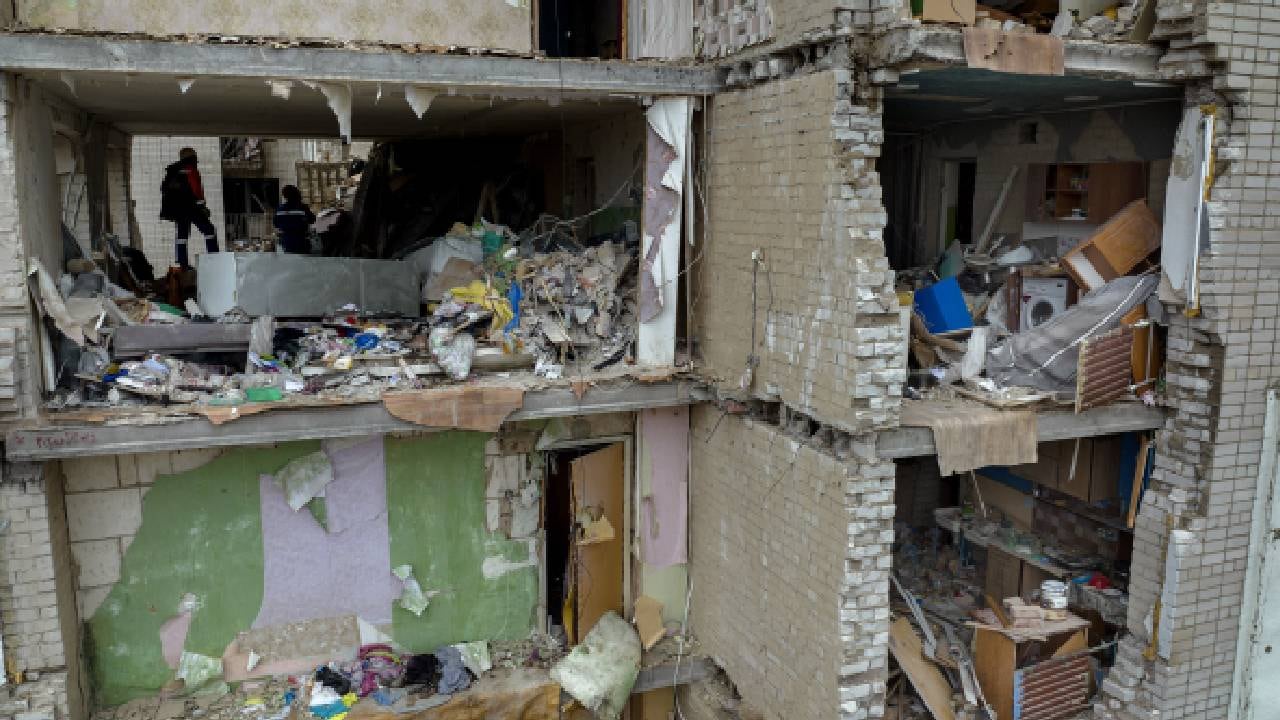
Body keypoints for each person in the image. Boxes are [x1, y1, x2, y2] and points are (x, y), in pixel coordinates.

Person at [159, 147, 219, 269]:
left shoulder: (173, 170)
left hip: (178, 210)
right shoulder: (191, 168)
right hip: (191, 207)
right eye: (195, 155)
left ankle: (182, 264)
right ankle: (214, 257)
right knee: (209, 230)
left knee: (182, 235)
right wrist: (202, 206)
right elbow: (196, 188)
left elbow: (163, 188)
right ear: (192, 156)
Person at [273, 185, 316, 254]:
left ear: (285, 196)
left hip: (286, 242)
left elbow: (276, 223)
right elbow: (312, 220)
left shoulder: (280, 209)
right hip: (301, 241)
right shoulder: (303, 207)